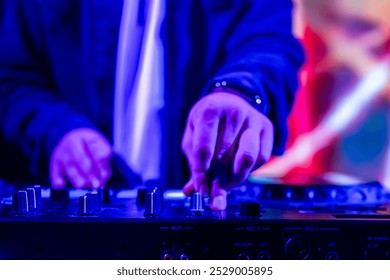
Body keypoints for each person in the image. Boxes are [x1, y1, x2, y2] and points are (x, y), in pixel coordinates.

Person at [0, 0, 304, 210]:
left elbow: (270, 42)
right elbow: (13, 75)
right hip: (71, 214)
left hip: (206, 213)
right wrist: (58, 131)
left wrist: (239, 91)